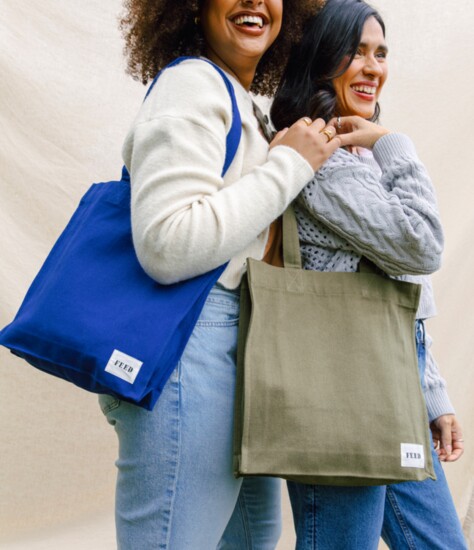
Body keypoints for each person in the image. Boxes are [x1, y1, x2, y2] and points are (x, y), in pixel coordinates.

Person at [98, 0, 343, 548]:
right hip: (189, 346)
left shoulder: (244, 104)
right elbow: (167, 245)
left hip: (233, 351)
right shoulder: (193, 86)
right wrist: (290, 164)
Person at [270, 0, 467, 548]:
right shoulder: (322, 154)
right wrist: (391, 142)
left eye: (381, 53)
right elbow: (420, 246)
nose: (373, 67)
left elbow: (394, 291)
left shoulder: (352, 155)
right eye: (355, 52)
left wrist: (431, 394)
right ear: (321, 58)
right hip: (338, 392)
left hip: (391, 383)